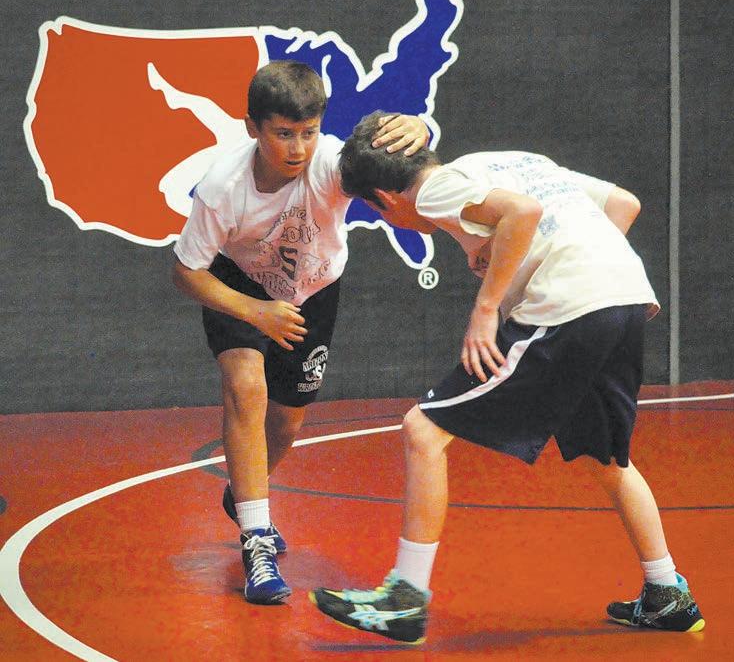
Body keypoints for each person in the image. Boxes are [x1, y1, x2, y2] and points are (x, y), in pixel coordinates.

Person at [309, 110, 705, 642]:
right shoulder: (510, 160)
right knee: (606, 457)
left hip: (569, 306)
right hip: (626, 296)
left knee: (423, 430)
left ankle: (405, 599)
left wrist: (487, 306)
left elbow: (524, 212)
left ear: (386, 198)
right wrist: (564, 259)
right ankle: (666, 592)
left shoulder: (432, 191)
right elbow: (623, 205)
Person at [172, 69, 429, 605]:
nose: (297, 148)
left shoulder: (331, 163)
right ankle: (257, 541)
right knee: (246, 388)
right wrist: (254, 311)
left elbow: (397, 168)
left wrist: (417, 131)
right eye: (283, 134)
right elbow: (187, 272)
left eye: (308, 132)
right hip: (239, 285)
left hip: (313, 291)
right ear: (253, 128)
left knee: (286, 425)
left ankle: (244, 492)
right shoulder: (223, 188)